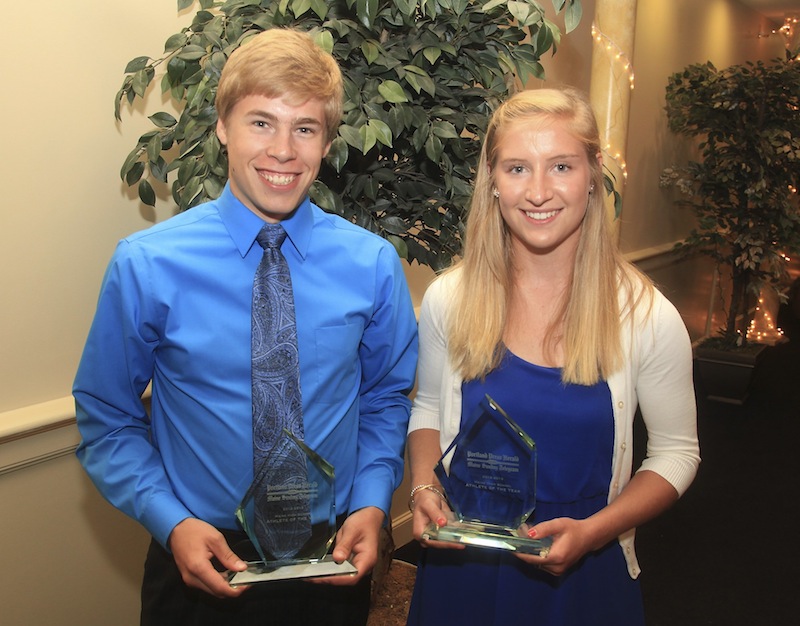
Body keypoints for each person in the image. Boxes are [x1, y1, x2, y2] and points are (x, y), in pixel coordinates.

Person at [73, 27, 418, 626]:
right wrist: (170, 521)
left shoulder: (372, 264)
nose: (283, 149)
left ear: (327, 142)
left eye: (304, 128)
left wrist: (370, 501)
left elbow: (385, 395)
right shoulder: (147, 263)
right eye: (261, 122)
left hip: (331, 562)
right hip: (202, 564)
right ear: (222, 128)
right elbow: (107, 416)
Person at [405, 87, 700, 625]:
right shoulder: (451, 297)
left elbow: (676, 454)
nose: (538, 191)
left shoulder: (645, 315)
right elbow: (426, 409)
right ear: (492, 182)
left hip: (582, 569)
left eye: (560, 165)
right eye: (517, 168)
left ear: (593, 174)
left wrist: (595, 531)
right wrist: (424, 485)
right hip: (461, 567)